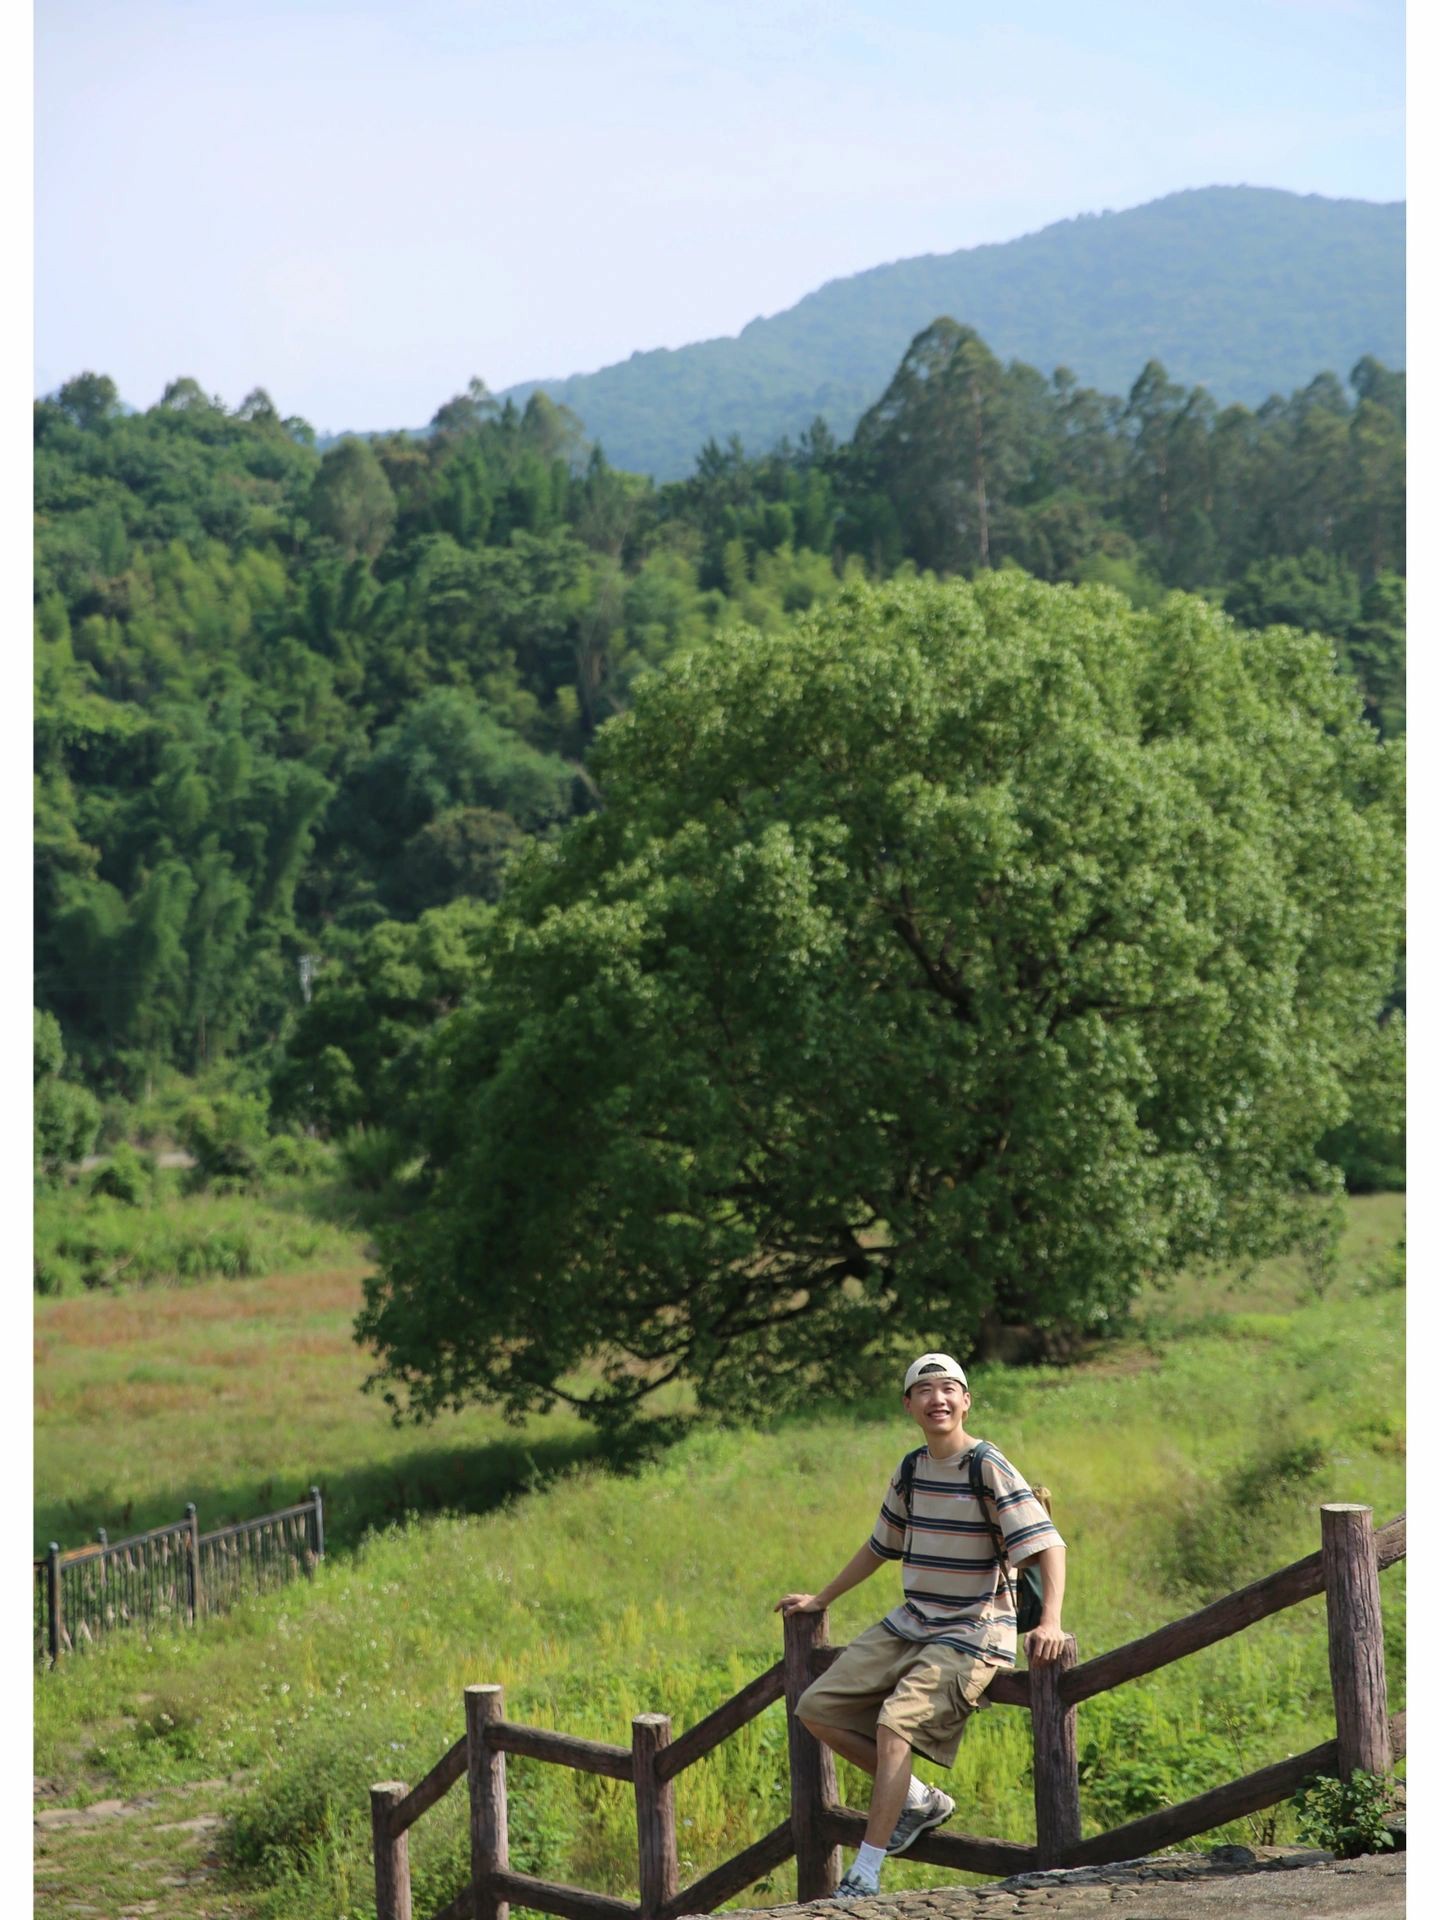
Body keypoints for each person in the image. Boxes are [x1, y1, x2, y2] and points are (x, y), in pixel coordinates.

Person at [775, 1352, 1067, 1901]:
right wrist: (822, 1597)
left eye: (950, 1389)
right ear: (909, 1405)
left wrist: (1049, 1622)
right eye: (926, 1390)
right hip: (913, 1621)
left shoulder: (988, 1464)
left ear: (967, 1400)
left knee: (894, 1727)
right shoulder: (911, 1468)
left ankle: (864, 1873)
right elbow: (881, 1546)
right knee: (816, 1707)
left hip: (973, 1630)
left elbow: (1049, 1544)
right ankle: (916, 1798)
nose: (939, 1399)